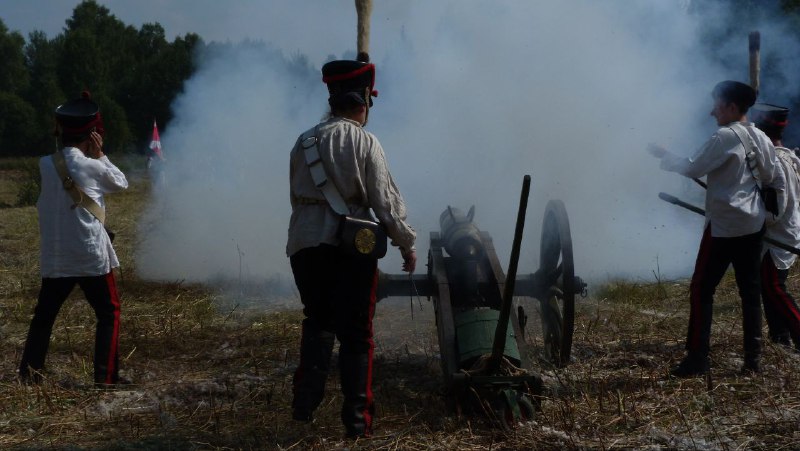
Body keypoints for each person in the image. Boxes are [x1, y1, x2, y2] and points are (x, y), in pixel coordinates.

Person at [286, 56, 416, 438]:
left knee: (318, 321)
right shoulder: (366, 141)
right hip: (352, 248)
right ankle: (358, 424)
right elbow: (386, 204)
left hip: (305, 244)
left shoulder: (303, 141)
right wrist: (406, 243)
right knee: (357, 334)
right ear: (363, 99)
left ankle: (304, 405)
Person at [648, 80, 781, 376]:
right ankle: (752, 361)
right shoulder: (760, 136)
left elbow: (692, 167)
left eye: (717, 105)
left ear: (732, 107)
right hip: (753, 222)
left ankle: (697, 358)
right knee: (750, 292)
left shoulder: (723, 137)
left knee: (701, 288)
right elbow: (770, 173)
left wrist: (664, 155)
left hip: (724, 225)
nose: (712, 111)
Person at [19, 92, 129, 387]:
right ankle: (105, 380)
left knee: (44, 316)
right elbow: (121, 182)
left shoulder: (45, 164)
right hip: (90, 255)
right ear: (93, 135)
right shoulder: (92, 166)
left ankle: (30, 375)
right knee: (109, 313)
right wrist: (101, 155)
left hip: (56, 256)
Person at [751, 103, 800, 351]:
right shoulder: (788, 156)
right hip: (783, 232)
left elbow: (774, 212)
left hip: (777, 234)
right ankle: (780, 337)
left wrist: (749, 218)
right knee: (767, 285)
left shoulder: (777, 163)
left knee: (773, 287)